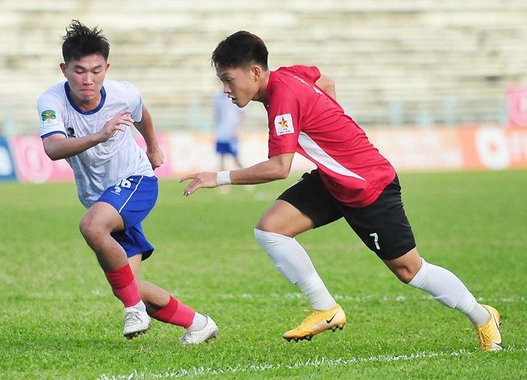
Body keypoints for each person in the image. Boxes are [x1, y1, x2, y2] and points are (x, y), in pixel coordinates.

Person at [180, 30, 503, 352]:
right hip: (333, 180)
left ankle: (482, 316)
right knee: (271, 230)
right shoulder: (290, 75)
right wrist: (331, 122)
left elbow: (279, 168)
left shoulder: (282, 96)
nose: (225, 89)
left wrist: (219, 177)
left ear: (254, 72)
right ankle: (325, 309)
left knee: (409, 270)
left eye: (228, 79)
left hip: (368, 185)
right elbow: (324, 79)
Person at [37, 20, 218, 344]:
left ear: (106, 67)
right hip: (100, 197)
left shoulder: (124, 93)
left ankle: (134, 309)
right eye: (79, 71)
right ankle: (198, 323)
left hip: (137, 181)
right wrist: (100, 135)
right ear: (64, 69)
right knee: (127, 283)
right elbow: (52, 148)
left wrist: (152, 147)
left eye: (96, 70)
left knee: (92, 228)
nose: (88, 80)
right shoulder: (51, 102)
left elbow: (141, 113)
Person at [213, 91, 244, 171]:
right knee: (221, 158)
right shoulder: (218, 98)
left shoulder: (234, 97)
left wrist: (237, 128)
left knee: (236, 158)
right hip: (221, 133)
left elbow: (242, 114)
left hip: (231, 133)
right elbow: (216, 115)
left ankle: (249, 176)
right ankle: (222, 181)